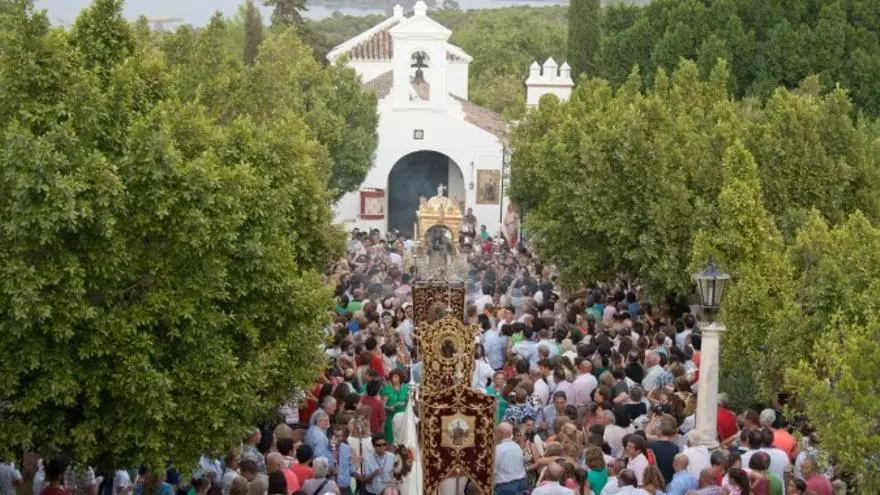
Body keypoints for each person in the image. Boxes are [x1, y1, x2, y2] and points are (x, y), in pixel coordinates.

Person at [494, 423, 527, 495]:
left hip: (506, 487)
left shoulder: (498, 449)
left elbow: (493, 470)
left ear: (500, 433)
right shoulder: (517, 447)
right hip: (521, 483)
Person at [379, 370, 409, 444]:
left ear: (400, 378)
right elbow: (382, 406)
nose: (394, 379)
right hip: (391, 417)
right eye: (392, 377)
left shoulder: (406, 388)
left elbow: (409, 402)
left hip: (404, 416)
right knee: (391, 441)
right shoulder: (386, 390)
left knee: (404, 440)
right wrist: (389, 408)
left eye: (396, 377)